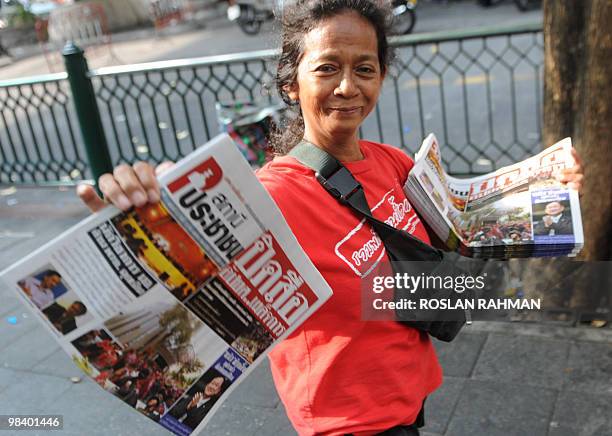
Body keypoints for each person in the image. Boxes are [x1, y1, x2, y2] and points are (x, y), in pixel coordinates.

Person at [77, 1, 585, 434]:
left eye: (364, 68)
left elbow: (457, 242)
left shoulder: (396, 164)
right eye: (326, 68)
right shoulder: (268, 196)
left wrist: (543, 203)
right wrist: (139, 219)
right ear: (291, 84)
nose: (347, 86)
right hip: (343, 422)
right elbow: (176, 303)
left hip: (411, 394)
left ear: (381, 78)